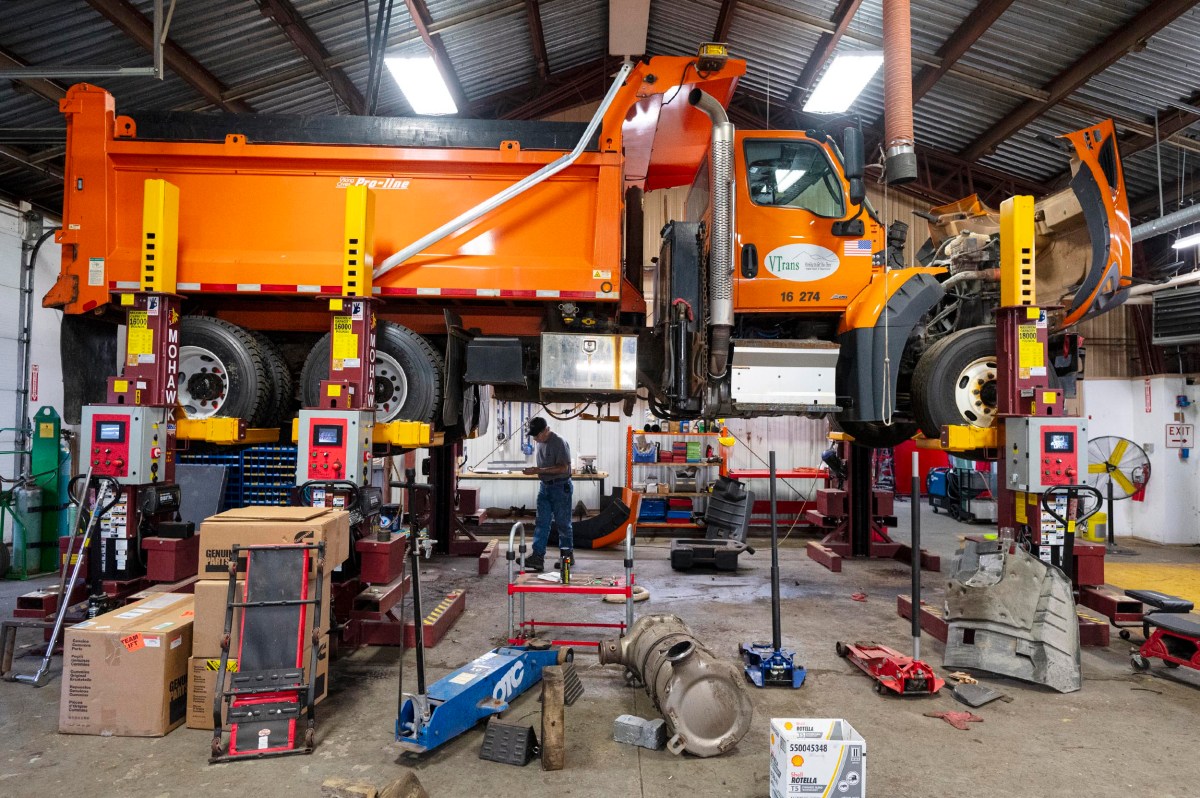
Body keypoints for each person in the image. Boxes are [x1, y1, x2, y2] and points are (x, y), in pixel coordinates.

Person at [521, 416, 573, 573]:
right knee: (542, 522)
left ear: (546, 430)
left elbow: (563, 468)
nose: (535, 439)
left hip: (560, 487)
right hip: (545, 487)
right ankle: (537, 557)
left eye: (538, 435)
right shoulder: (540, 442)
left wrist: (538, 471)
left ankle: (567, 556)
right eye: (534, 435)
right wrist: (538, 471)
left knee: (563, 523)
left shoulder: (558, 442)